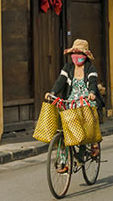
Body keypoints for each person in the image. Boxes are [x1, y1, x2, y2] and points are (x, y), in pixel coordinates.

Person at [44, 39, 101, 170]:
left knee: (83, 129)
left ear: (85, 56)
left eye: (79, 54)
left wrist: (92, 92)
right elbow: (60, 81)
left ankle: (82, 154)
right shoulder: (68, 68)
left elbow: (92, 82)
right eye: (74, 53)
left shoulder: (90, 68)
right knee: (65, 129)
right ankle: (64, 161)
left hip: (86, 100)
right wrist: (52, 92)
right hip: (71, 101)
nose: (76, 57)